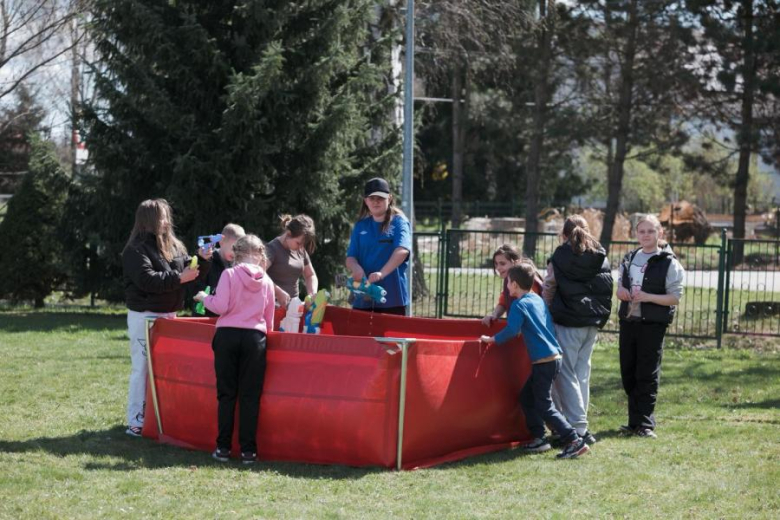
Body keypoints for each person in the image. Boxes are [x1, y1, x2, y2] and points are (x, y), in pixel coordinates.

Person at [481, 263, 590, 459]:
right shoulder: (537, 300)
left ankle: (573, 439)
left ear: (513, 284)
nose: (507, 287)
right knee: (527, 397)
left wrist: (492, 339)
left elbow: (513, 330)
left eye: (508, 283)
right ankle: (539, 438)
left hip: (543, 360)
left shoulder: (519, 305)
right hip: (554, 357)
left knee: (544, 404)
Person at [122, 199, 203, 437]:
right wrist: (180, 277)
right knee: (142, 369)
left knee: (168, 369)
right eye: (162, 217)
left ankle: (160, 416)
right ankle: (136, 420)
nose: (167, 221)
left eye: (167, 216)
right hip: (145, 315)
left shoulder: (174, 246)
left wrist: (203, 260)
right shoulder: (134, 250)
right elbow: (148, 280)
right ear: (149, 221)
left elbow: (190, 270)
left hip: (170, 315)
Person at [194, 234, 275, 464]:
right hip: (255, 339)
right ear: (260, 255)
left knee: (227, 394)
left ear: (235, 255)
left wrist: (203, 297)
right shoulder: (267, 282)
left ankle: (223, 448)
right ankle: (249, 451)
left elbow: (219, 307)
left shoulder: (229, 274)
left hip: (227, 336)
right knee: (251, 396)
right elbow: (269, 321)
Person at [542, 215, 613, 445]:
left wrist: (547, 310)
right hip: (591, 322)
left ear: (563, 235)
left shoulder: (560, 257)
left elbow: (550, 287)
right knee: (582, 373)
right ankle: (580, 425)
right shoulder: (600, 256)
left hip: (568, 321)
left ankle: (577, 429)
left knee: (565, 374)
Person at [616, 214, 685, 439]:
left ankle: (645, 424)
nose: (646, 236)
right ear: (636, 234)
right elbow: (619, 289)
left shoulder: (668, 262)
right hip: (629, 322)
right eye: (642, 231)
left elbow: (674, 298)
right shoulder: (629, 258)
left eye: (651, 231)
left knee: (646, 373)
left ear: (660, 234)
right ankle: (633, 422)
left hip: (652, 325)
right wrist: (623, 293)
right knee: (628, 372)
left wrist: (647, 297)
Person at [346, 177, 412, 315]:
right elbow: (351, 257)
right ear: (365, 201)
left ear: (390, 198)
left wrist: (381, 273)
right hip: (363, 298)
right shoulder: (360, 225)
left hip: (393, 299)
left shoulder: (399, 222)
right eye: (372, 198)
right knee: (360, 336)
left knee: (391, 337)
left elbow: (402, 251)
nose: (376, 202)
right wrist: (355, 268)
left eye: (380, 198)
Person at [190, 223, 246, 317]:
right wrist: (219, 294)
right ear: (221, 241)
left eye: (240, 249)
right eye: (233, 248)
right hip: (204, 316)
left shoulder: (236, 265)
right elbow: (195, 287)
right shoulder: (207, 260)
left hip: (226, 318)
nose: (236, 253)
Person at [482, 244, 544, 326]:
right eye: (496, 264)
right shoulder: (509, 279)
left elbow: (533, 309)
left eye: (502, 264)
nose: (498, 268)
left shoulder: (528, 280)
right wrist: (494, 315)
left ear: (516, 262)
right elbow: (504, 301)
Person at [265, 214, 318, 306]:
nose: (301, 247)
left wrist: (312, 293)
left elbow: (310, 275)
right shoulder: (272, 249)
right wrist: (277, 292)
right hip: (272, 307)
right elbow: (258, 274)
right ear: (289, 233)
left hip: (294, 308)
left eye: (303, 245)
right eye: (298, 243)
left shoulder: (300, 250)